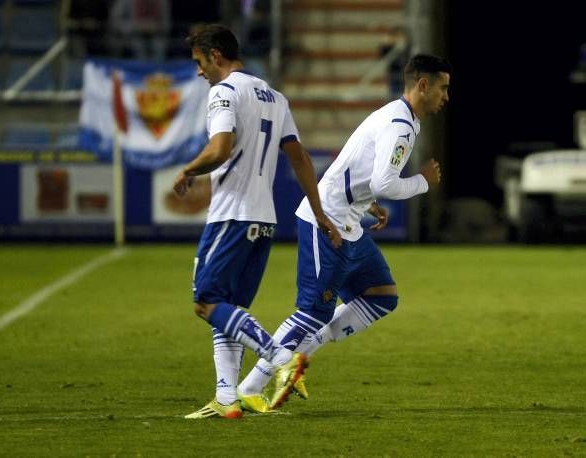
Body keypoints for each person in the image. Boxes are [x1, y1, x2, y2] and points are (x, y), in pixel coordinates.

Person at [238, 54, 451, 408]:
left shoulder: (399, 118)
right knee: (311, 312)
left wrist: (367, 203)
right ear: (423, 85)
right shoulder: (399, 123)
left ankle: (298, 359)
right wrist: (423, 182)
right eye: (443, 87)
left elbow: (356, 165)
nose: (446, 96)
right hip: (328, 222)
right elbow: (385, 182)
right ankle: (250, 387)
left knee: (382, 296)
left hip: (350, 221)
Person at [174, 23, 341, 420]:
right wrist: (319, 212)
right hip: (264, 220)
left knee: (206, 302)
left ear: (216, 55)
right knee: (229, 310)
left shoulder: (224, 92)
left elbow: (220, 148)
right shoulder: (275, 97)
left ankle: (281, 358)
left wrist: (189, 170)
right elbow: (299, 157)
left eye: (200, 62)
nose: (199, 72)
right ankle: (227, 398)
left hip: (231, 216)